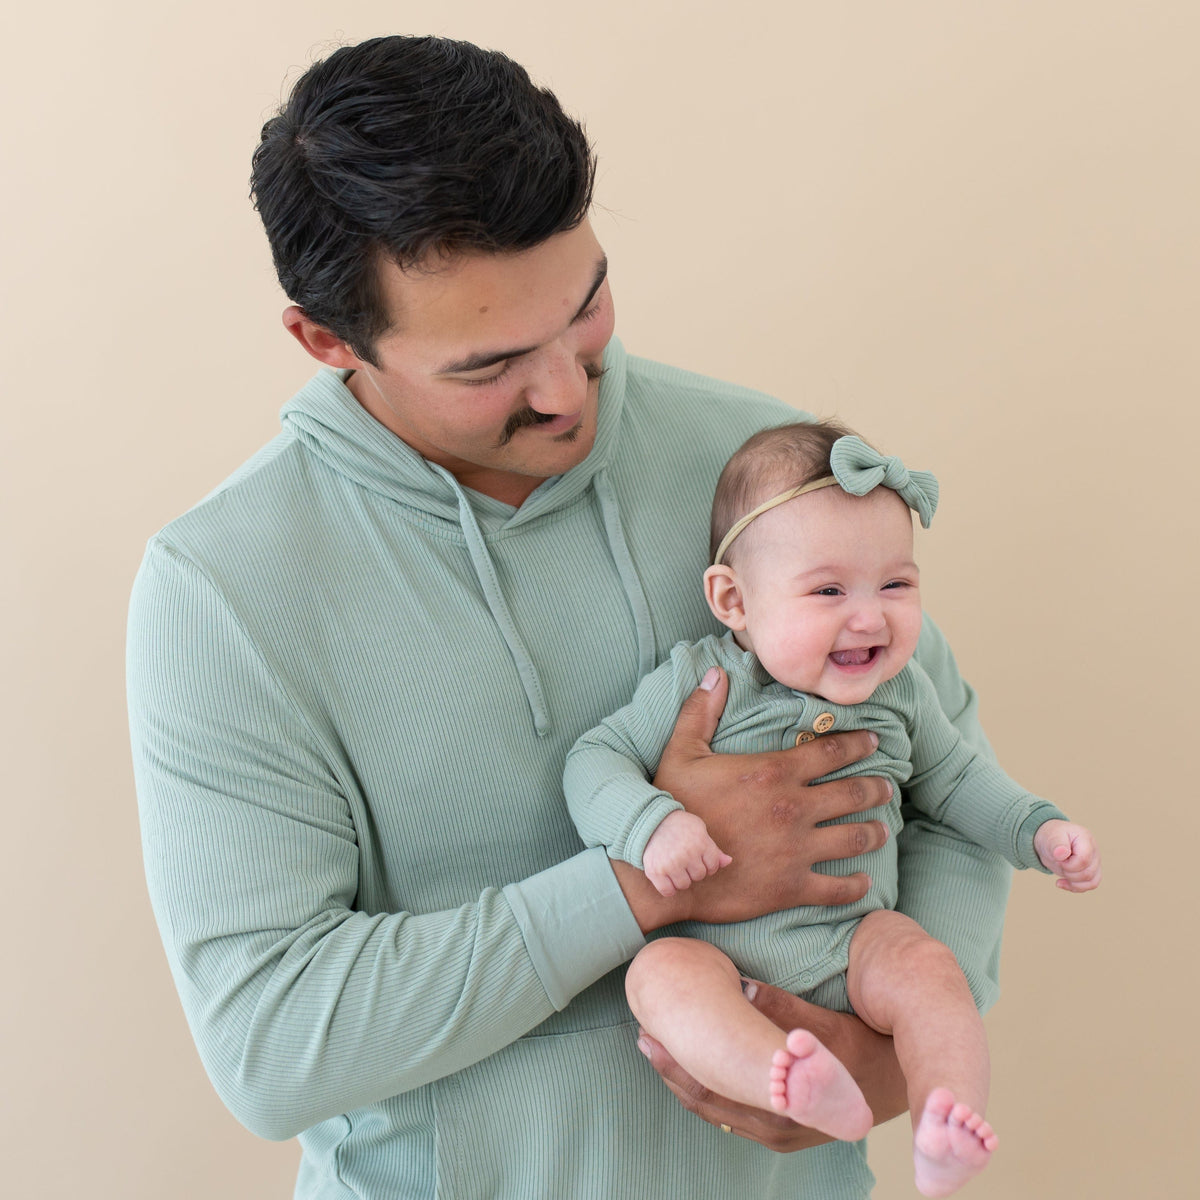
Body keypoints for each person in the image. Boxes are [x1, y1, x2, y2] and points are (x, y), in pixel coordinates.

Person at [127, 34, 1016, 1199]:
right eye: (488, 365)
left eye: (586, 308)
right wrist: (645, 879)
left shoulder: (765, 472)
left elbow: (946, 796)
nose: (563, 392)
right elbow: (274, 1044)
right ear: (328, 340)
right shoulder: (224, 588)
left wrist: (895, 1055)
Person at [564, 421, 1101, 1196]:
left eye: (896, 585)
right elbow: (593, 760)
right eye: (828, 591)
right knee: (661, 976)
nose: (870, 617)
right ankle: (783, 1076)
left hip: (858, 947)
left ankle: (944, 1119)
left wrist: (1037, 830)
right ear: (733, 599)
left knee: (927, 966)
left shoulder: (902, 692)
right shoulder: (702, 683)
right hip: (722, 957)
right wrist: (652, 825)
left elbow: (957, 781)